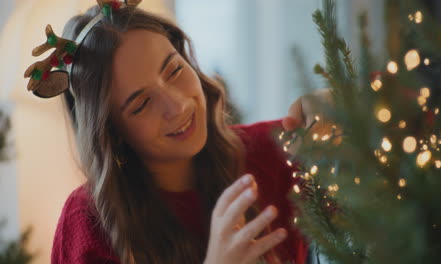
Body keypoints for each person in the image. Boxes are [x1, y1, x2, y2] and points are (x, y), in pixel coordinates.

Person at [26, 2, 317, 263]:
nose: (177, 106)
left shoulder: (273, 151)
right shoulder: (88, 225)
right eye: (142, 104)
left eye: (175, 70)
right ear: (112, 132)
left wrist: (335, 110)